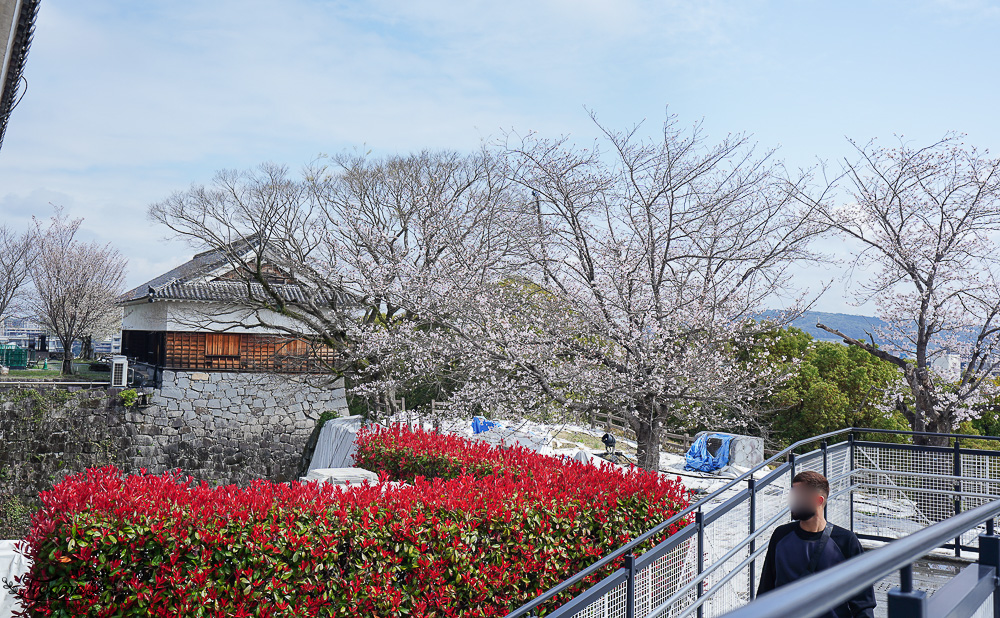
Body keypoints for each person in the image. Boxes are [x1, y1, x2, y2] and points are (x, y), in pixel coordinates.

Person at [757, 470, 876, 617]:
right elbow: (765, 590)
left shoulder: (846, 541)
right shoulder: (781, 535)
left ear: (819, 501)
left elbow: (863, 601)